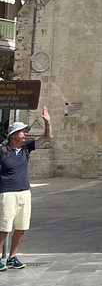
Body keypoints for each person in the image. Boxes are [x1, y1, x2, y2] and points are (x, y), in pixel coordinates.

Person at [0, 106, 52, 270]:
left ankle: (12, 257)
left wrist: (48, 122)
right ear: (13, 135)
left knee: (21, 227)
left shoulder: (25, 148)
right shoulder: (3, 150)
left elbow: (47, 137)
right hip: (7, 193)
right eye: (22, 132)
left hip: (24, 192)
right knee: (4, 227)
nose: (25, 134)